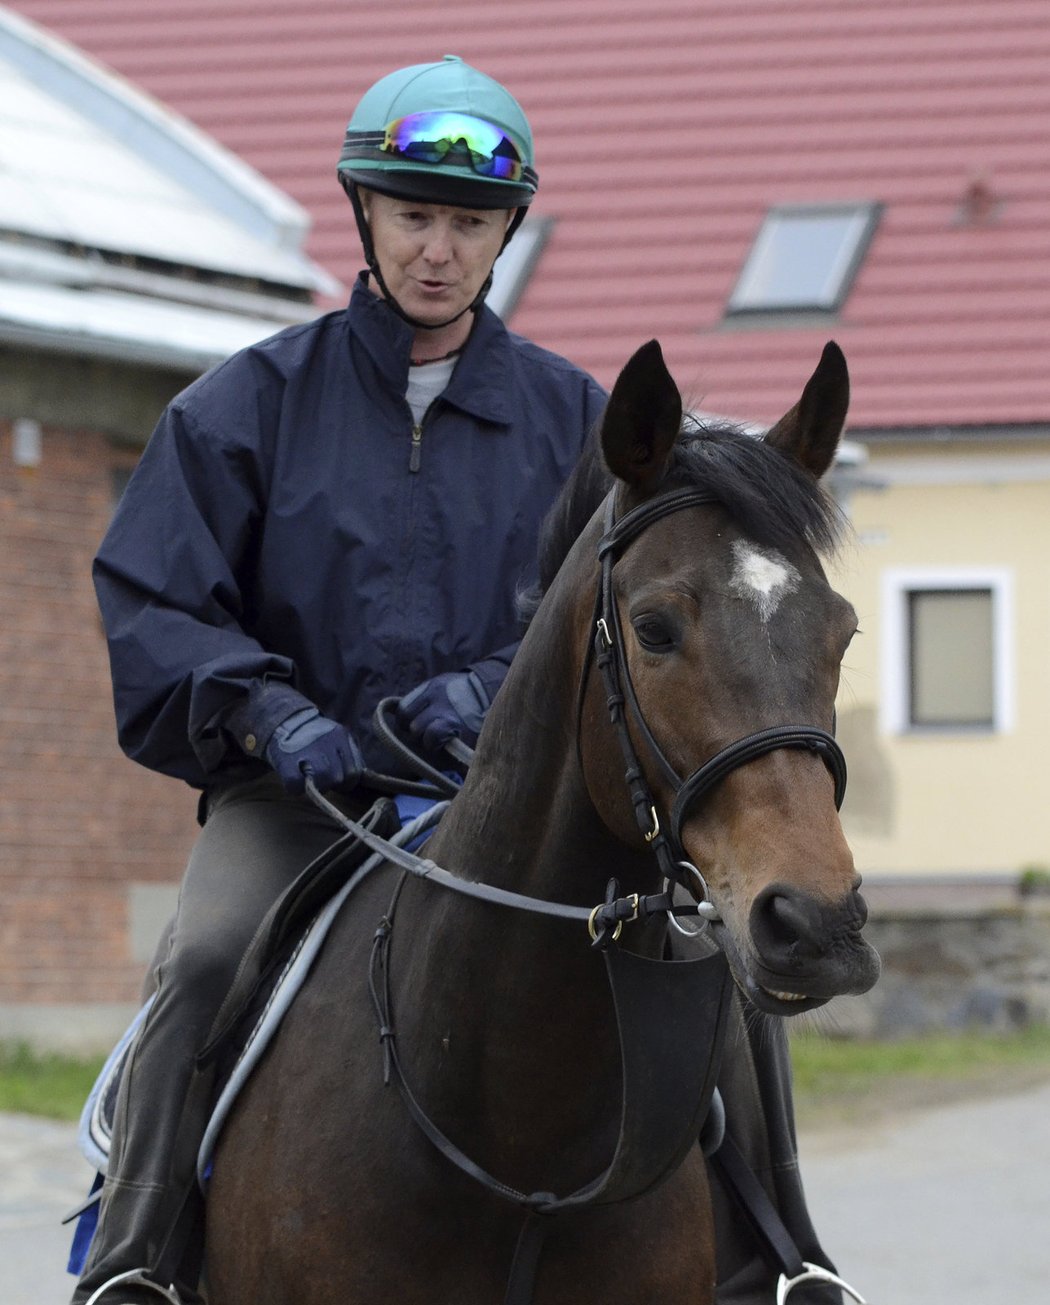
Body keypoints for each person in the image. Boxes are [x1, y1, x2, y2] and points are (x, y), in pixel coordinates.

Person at [75, 56, 843, 1305]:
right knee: (206, 956)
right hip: (299, 799)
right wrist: (269, 715)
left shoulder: (578, 424)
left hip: (528, 796)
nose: (441, 249)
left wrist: (489, 690)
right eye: (416, 215)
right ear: (366, 218)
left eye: (470, 222)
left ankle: (785, 1255)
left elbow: (611, 612)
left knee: (710, 964)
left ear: (505, 234)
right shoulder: (240, 409)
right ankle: (140, 1260)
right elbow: (159, 604)